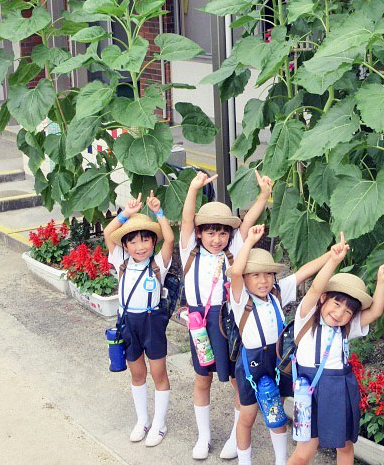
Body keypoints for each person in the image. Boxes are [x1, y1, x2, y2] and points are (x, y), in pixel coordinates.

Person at [230, 225, 343, 465]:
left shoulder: (277, 293)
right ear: (246, 279)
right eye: (256, 275)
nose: (263, 281)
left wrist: (331, 256)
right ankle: (244, 460)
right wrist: (249, 241)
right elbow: (236, 272)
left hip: (278, 358)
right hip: (252, 362)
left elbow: (303, 273)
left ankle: (281, 461)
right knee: (247, 415)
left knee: (277, 412)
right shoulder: (240, 299)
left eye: (268, 274)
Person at [180, 170, 272, 460]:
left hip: (229, 322)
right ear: (199, 233)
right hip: (199, 322)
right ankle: (203, 437)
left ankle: (236, 435)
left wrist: (264, 195)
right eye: (210, 232)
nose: (217, 239)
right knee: (201, 377)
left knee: (236, 378)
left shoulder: (232, 250)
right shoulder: (189, 252)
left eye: (222, 232)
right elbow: (185, 219)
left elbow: (247, 222)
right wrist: (194, 189)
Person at [288, 234, 384, 465]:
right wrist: (334, 261)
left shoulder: (346, 328)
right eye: (336, 304)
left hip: (339, 388)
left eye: (348, 311)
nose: (339, 314)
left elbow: (375, 311)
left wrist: (382, 281)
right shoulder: (306, 316)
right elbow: (316, 287)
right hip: (307, 388)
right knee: (304, 450)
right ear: (324, 299)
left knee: (345, 446)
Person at [104, 191, 174, 447]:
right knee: (137, 373)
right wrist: (126, 213)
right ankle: (142, 420)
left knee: (158, 373)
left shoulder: (157, 264)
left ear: (152, 242)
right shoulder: (121, 261)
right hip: (128, 323)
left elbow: (169, 238)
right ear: (125, 245)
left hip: (152, 322)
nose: (140, 246)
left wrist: (159, 213)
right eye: (133, 241)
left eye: (146, 239)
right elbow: (108, 233)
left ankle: (160, 422)